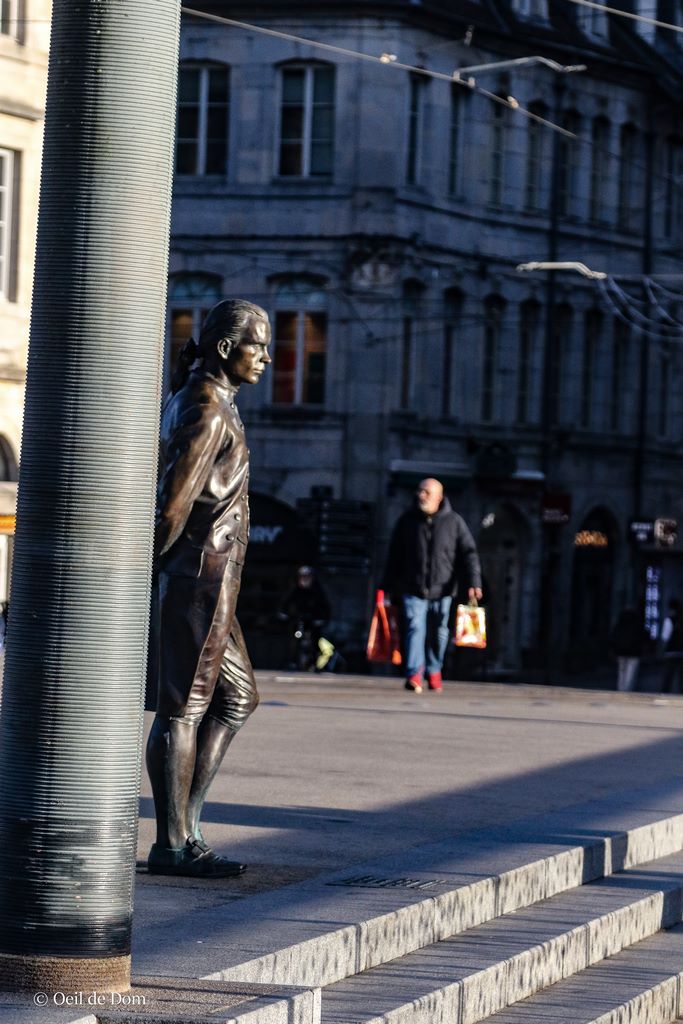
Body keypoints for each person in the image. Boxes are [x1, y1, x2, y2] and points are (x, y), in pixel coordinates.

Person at [145, 298, 271, 878]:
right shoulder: (206, 407)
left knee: (236, 697)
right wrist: (144, 571)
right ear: (225, 348)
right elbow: (173, 505)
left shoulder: (206, 399)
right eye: (257, 346)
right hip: (201, 571)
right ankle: (174, 845)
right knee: (183, 709)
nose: (265, 358)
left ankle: (187, 827)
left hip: (213, 575)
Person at [383, 478, 482, 693]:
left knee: (440, 632)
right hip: (413, 587)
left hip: (443, 588)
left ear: (439, 496)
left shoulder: (454, 522)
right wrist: (387, 586)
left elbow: (469, 553)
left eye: (427, 492)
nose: (421, 495)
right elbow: (394, 555)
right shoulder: (407, 520)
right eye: (420, 491)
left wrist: (474, 582)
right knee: (414, 628)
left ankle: (434, 668)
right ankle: (415, 674)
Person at [278, 565, 332, 669]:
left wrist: (323, 618)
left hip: (313, 620)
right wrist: (283, 613)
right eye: (303, 577)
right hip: (298, 619)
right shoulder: (295, 590)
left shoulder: (317, 590)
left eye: (307, 577)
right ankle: (292, 661)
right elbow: (285, 602)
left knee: (316, 639)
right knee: (294, 638)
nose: (305, 579)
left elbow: (326, 606)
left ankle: (315, 662)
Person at [609, 607, 647, 691]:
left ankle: (621, 689)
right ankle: (627, 689)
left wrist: (614, 649)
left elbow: (613, 637)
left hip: (621, 651)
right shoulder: (637, 625)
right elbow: (644, 637)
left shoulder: (619, 624)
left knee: (621, 672)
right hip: (634, 653)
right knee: (631, 673)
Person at [660, 598, 683, 693]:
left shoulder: (669, 620)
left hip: (671, 652)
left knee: (668, 675)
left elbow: (665, 637)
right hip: (681, 652)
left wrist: (663, 649)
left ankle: (665, 693)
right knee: (681, 677)